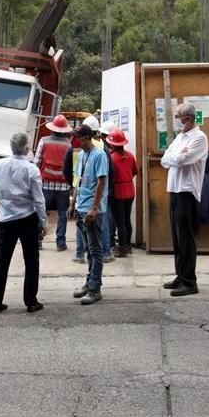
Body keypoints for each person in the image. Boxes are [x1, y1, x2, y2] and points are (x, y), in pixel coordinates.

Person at [0, 132, 47, 314]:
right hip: (28, 218)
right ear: (27, 148)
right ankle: (30, 301)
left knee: (2, 261)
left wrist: (7, 197)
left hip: (6, 218)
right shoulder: (31, 169)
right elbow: (38, 199)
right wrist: (43, 221)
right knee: (31, 261)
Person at [160, 103, 209, 297]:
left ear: (187, 118)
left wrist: (176, 157)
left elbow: (183, 160)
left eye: (178, 116)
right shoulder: (181, 137)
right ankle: (181, 275)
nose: (177, 120)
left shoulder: (199, 138)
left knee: (186, 237)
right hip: (174, 189)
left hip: (187, 191)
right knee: (177, 237)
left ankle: (189, 281)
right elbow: (166, 159)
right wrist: (176, 156)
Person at [71, 124, 109, 305]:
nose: (75, 140)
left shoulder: (99, 155)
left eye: (78, 137)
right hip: (81, 207)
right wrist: (73, 202)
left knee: (95, 249)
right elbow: (79, 181)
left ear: (86, 138)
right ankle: (90, 282)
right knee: (88, 249)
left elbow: (101, 182)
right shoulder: (81, 155)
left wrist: (94, 207)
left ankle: (95, 289)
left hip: (92, 210)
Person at [34, 114, 73, 251]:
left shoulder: (43, 141)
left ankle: (38, 240)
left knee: (41, 212)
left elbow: (37, 163)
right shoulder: (69, 144)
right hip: (64, 186)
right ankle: (60, 243)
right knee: (62, 214)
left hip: (46, 184)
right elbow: (70, 167)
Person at [105, 129, 139, 257]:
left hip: (117, 193)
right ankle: (128, 245)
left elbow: (108, 177)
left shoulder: (111, 158)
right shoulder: (130, 155)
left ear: (112, 144)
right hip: (130, 191)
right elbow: (134, 171)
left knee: (120, 222)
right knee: (126, 220)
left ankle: (122, 247)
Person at [99, 120, 118, 261]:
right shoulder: (108, 151)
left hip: (104, 189)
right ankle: (109, 243)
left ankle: (108, 245)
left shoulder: (103, 150)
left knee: (106, 217)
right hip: (109, 188)